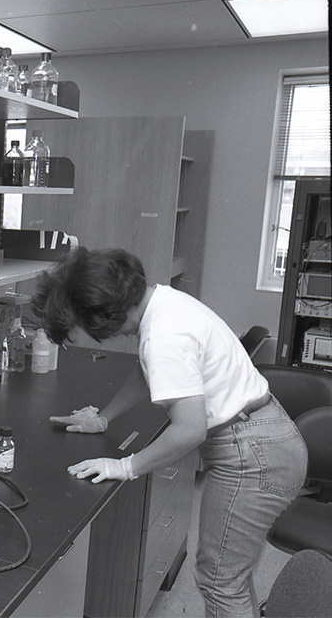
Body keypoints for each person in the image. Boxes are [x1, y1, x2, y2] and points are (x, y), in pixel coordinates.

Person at [31, 247, 307, 618]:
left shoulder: (163, 335)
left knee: (219, 582)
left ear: (103, 315)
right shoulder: (163, 303)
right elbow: (148, 371)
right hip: (262, 438)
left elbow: (189, 431)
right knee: (231, 578)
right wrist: (104, 418)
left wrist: (125, 466)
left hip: (251, 456)